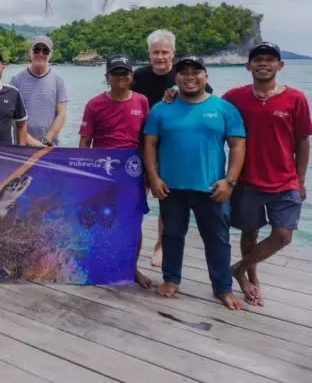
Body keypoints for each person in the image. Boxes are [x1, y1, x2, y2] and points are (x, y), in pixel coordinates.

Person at [143, 56, 246, 310]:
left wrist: (230, 181)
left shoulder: (224, 108)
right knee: (171, 234)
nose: (190, 77)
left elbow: (237, 145)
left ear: (205, 76)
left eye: (196, 72)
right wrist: (154, 178)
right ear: (176, 77)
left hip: (211, 188)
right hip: (171, 187)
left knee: (217, 239)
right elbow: (150, 144)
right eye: (184, 72)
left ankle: (223, 287)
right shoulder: (161, 109)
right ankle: (171, 279)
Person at [223, 42, 311, 306]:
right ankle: (250, 276)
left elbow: (303, 141)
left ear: (280, 65)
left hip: (285, 180)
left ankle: (238, 268)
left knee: (283, 235)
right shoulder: (234, 97)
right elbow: (204, 102)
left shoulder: (295, 98)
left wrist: (301, 179)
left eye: (270, 59)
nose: (263, 63)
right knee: (249, 232)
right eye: (258, 59)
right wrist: (172, 94)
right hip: (247, 179)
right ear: (248, 65)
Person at [132, 29, 213, 267]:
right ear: (149, 54)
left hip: (171, 147)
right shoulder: (139, 76)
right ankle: (132, 242)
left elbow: (206, 96)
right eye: (155, 52)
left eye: (164, 52)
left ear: (173, 53)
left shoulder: (182, 76)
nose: (160, 57)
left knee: (166, 199)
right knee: (137, 197)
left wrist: (179, 91)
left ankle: (161, 244)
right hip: (142, 144)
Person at [79, 54, 152, 288]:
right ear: (107, 77)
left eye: (124, 73)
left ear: (131, 75)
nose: (120, 77)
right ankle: (97, 263)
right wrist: (83, 173)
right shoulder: (94, 104)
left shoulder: (142, 101)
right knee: (100, 218)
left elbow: (148, 139)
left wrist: (150, 173)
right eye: (115, 73)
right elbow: (85, 141)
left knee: (133, 220)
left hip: (133, 172)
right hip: (103, 171)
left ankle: (132, 267)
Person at [9, 35, 67, 147]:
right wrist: (31, 142)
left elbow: (61, 115)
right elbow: (11, 117)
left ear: (51, 54)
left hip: (49, 147)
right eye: (36, 50)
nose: (40, 54)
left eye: (45, 51)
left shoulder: (58, 81)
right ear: (30, 52)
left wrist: (44, 142)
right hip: (22, 147)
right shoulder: (16, 80)